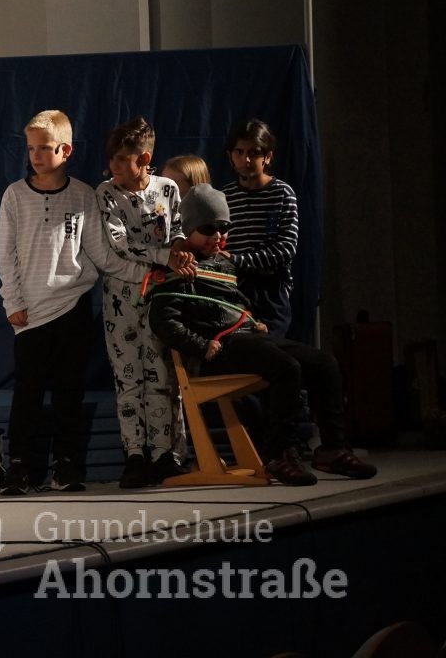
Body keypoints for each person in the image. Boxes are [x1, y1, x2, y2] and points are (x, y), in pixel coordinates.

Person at [147, 184, 376, 485]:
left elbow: (235, 302)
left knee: (325, 364)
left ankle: (333, 448)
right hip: (218, 350)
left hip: (247, 339)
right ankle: (279, 453)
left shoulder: (223, 263)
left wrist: (253, 321)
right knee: (285, 368)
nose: (217, 236)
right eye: (208, 229)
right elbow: (162, 320)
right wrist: (201, 345)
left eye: (224, 228)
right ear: (188, 229)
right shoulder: (178, 267)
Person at [0, 110, 155, 495]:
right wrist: (12, 301)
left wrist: (147, 274)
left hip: (72, 307)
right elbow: (5, 255)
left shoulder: (83, 195)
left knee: (70, 391)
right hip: (32, 313)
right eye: (30, 148)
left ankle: (68, 466)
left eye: (44, 148)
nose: (35, 155)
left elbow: (102, 255)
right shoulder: (15, 195)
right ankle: (21, 466)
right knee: (28, 393)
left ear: (65, 150)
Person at [95, 116, 194, 489]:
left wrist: (179, 251)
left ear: (145, 158)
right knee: (128, 378)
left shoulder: (167, 189)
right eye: (113, 159)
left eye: (124, 159)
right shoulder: (108, 193)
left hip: (161, 297)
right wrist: (164, 256)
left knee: (162, 376)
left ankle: (165, 454)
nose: (115, 166)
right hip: (121, 299)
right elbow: (120, 243)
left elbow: (179, 228)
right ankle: (134, 454)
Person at [221, 118, 299, 337]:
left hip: (270, 291)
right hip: (234, 288)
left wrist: (238, 260)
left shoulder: (282, 193)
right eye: (239, 152)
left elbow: (286, 249)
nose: (246, 159)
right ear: (230, 156)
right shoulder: (225, 196)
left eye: (254, 153)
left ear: (268, 157)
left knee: (269, 348)